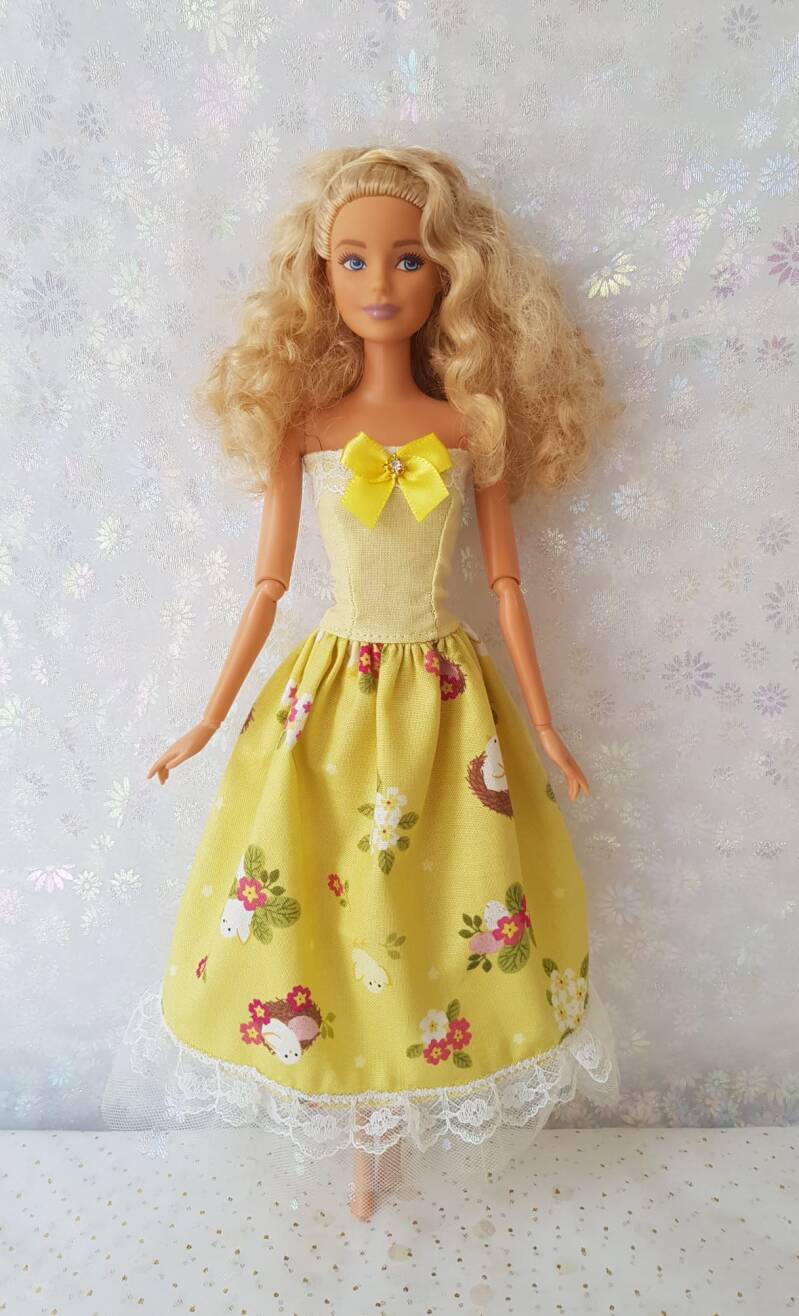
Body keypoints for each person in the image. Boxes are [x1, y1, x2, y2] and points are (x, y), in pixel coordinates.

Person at [101, 144, 623, 1221]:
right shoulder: (307, 430)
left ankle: (399, 1095)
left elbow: (507, 585)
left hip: (443, 701)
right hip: (327, 703)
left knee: (436, 897)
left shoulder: (465, 426)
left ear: (448, 277)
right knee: (325, 898)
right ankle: (350, 1117)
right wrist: (208, 716)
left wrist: (545, 724)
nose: (379, 282)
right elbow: (266, 585)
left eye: (407, 258)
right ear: (320, 277)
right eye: (353, 259)